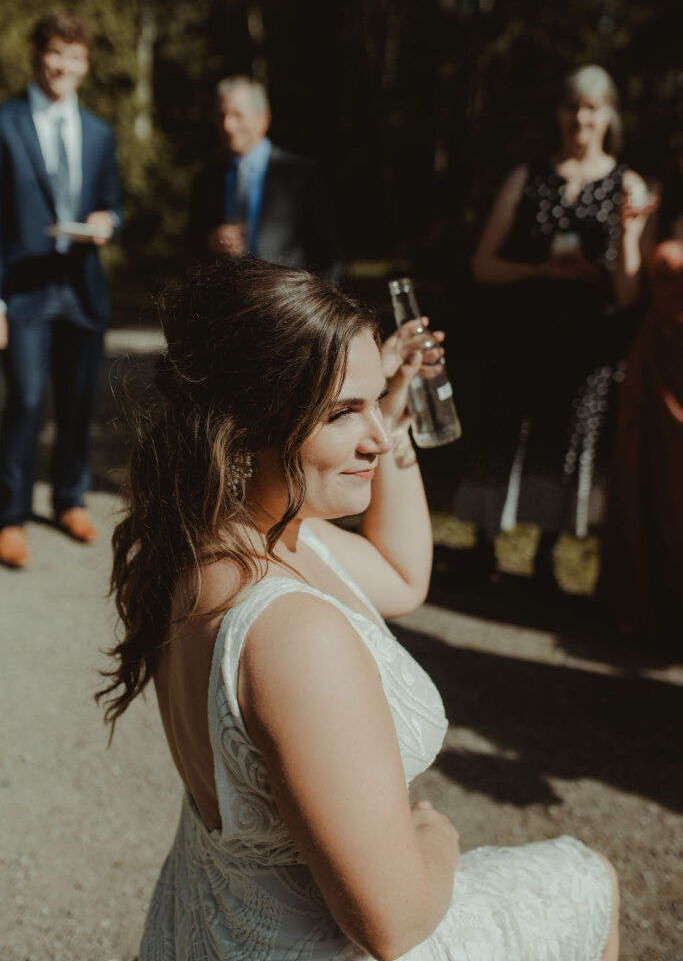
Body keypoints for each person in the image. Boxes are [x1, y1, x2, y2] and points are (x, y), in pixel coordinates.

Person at [97, 258, 619, 961]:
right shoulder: (291, 633)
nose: (376, 436)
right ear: (250, 421)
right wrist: (434, 835)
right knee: (589, 879)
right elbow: (393, 923)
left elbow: (403, 577)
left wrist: (388, 408)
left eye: (376, 404)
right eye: (344, 413)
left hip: (204, 927)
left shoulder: (208, 541)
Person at [455, 64, 654, 581]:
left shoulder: (626, 184)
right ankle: (485, 546)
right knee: (505, 437)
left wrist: (599, 268)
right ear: (559, 114)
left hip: (585, 346)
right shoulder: (528, 176)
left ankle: (546, 552)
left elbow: (630, 292)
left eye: (591, 108)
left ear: (608, 115)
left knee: (566, 447)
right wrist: (538, 270)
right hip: (519, 336)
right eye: (571, 107)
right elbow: (482, 264)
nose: (580, 118)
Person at [0, 12, 122, 568]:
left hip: (81, 287)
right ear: (37, 53)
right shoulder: (5, 121)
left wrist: (107, 223)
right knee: (25, 400)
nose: (64, 65)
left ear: (86, 64)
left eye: (75, 56)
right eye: (55, 52)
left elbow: (113, 204)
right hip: (21, 290)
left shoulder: (99, 132)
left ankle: (70, 498)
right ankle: (9, 515)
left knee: (78, 401)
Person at [599, 136, 683, 644]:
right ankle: (648, 606)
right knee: (649, 483)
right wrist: (629, 234)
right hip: (656, 364)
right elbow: (628, 293)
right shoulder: (659, 206)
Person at [189, 75, 342, 283]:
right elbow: (188, 249)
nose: (227, 125)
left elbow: (328, 259)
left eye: (237, 115)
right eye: (221, 115)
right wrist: (210, 241)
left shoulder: (301, 175)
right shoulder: (207, 179)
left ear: (264, 118)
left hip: (287, 307)